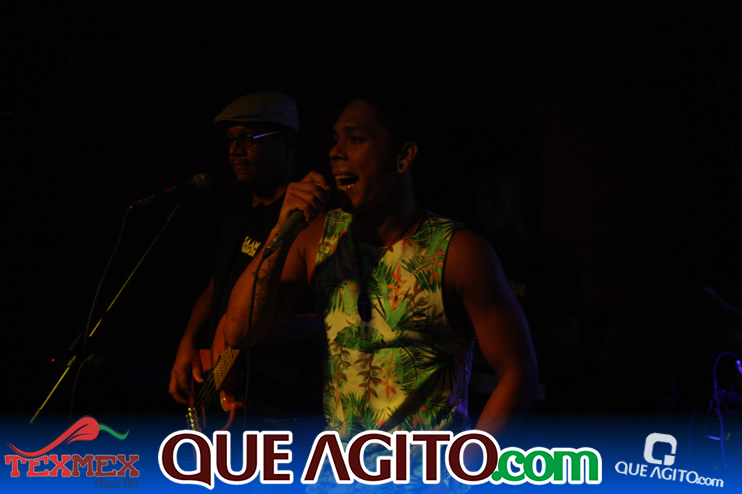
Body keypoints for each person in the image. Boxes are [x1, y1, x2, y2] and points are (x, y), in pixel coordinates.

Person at [221, 88, 539, 448]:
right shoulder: (318, 239)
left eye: (356, 139)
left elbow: (520, 374)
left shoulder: (459, 252)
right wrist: (280, 230)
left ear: (403, 156)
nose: (336, 152)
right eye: (336, 139)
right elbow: (238, 331)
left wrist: (470, 465)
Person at [168, 91, 323, 429]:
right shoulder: (236, 215)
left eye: (249, 139)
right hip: (229, 396)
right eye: (230, 140)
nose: (234, 150)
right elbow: (215, 285)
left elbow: (345, 313)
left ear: (287, 143)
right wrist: (188, 342)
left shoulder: (307, 221)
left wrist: (291, 326)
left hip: (284, 409)